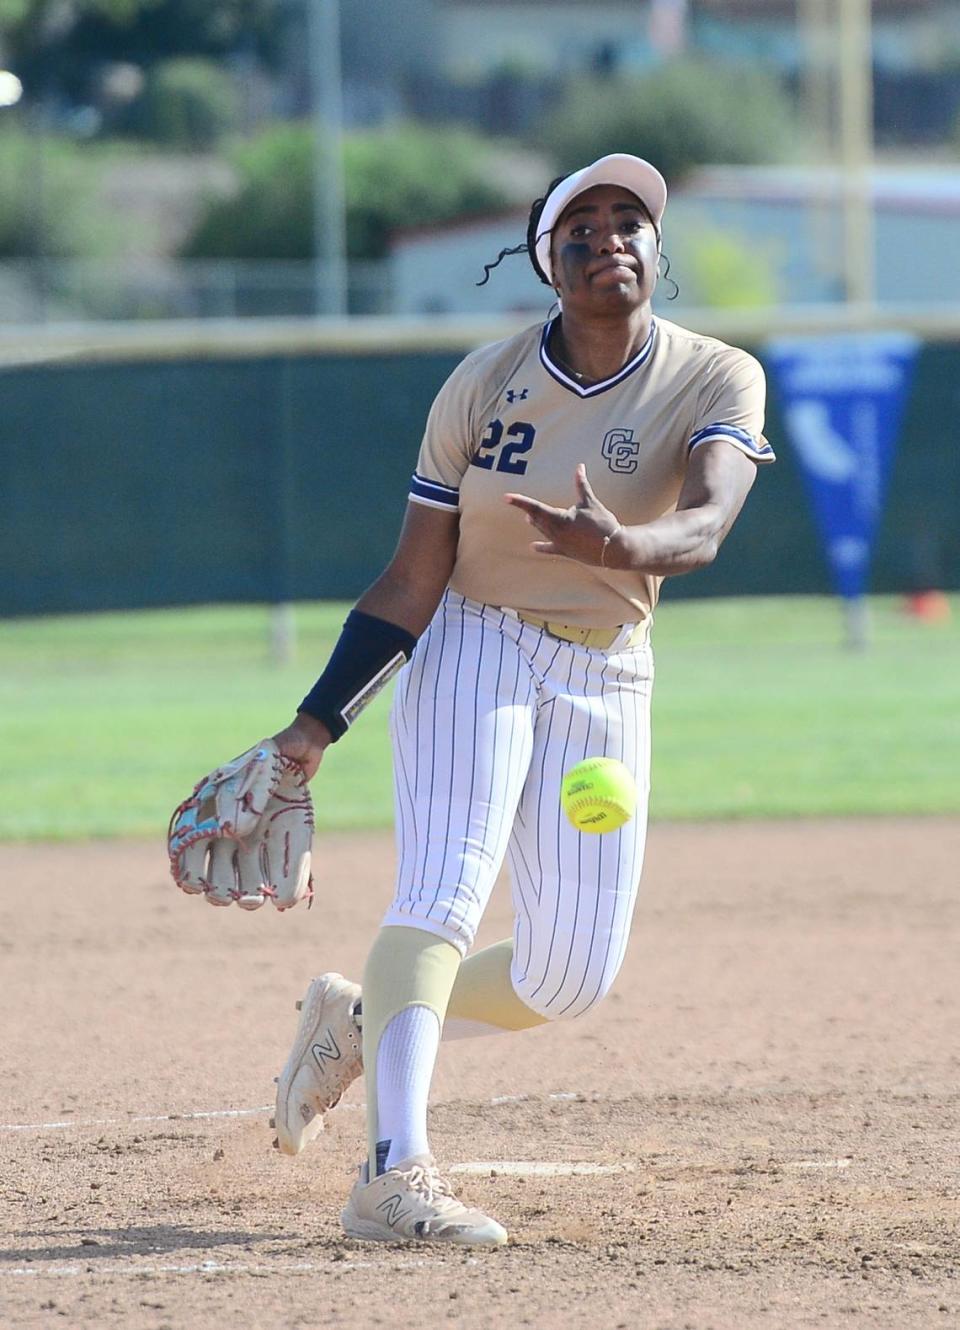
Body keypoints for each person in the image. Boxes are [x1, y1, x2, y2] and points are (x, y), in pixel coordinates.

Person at [268, 153, 775, 1247]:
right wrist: (312, 727)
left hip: (610, 667)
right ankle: (392, 1175)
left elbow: (710, 521)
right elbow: (413, 577)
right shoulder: (483, 383)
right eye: (581, 224)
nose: (610, 237)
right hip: (477, 642)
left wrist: (628, 544)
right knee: (443, 893)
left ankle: (357, 1021)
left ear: (657, 246)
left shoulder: (716, 374)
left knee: (569, 975)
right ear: (548, 259)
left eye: (630, 217)